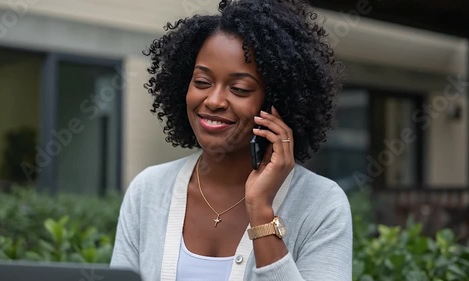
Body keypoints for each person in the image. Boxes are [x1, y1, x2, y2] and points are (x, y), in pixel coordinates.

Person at [110, 0, 352, 280]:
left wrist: (261, 212)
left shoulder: (321, 204)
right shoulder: (148, 191)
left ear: (276, 102)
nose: (213, 101)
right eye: (201, 82)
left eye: (239, 88)